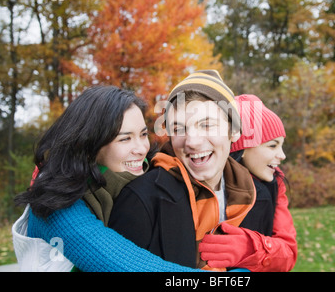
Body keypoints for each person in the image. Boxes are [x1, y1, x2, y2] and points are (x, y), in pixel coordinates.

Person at [13, 85, 199, 272]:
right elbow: (131, 266)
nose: (141, 148)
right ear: (89, 146)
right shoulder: (56, 205)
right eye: (125, 139)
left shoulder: (133, 179)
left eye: (143, 134)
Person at [108, 70, 275, 270]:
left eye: (206, 125)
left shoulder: (258, 196)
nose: (192, 142)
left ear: (234, 131)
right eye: (179, 129)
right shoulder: (141, 200)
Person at [199, 94, 297, 272]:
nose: (282, 155)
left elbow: (289, 252)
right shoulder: (206, 181)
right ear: (242, 148)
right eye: (272, 146)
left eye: (281, 145)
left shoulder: (275, 182)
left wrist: (252, 248)